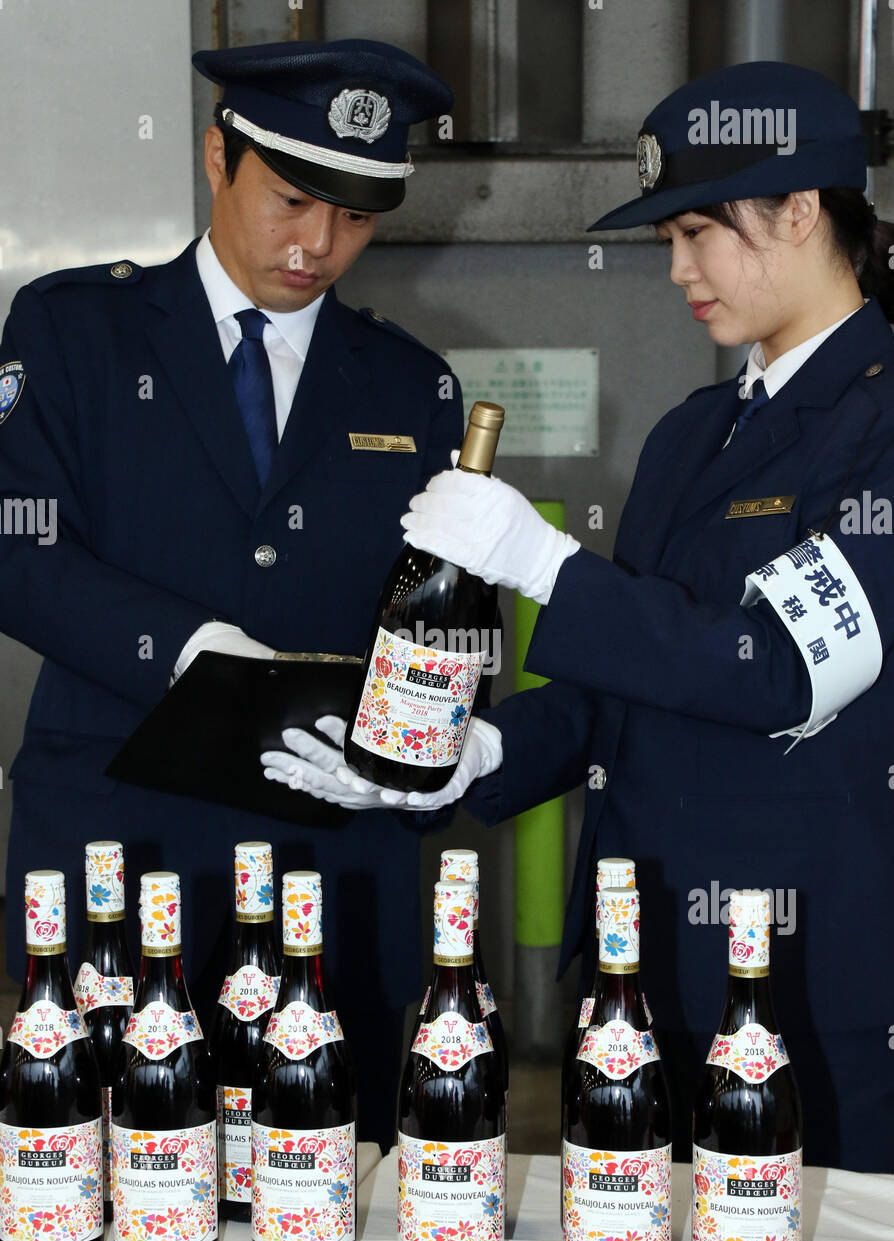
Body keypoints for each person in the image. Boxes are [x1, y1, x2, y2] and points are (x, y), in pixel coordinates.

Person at [277, 62, 894, 1173]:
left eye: (700, 231)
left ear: (803, 210)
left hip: (811, 975)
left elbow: (776, 671)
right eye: (667, 237)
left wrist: (544, 564)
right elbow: (637, 683)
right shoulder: (689, 436)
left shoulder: (881, 421)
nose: (677, 270)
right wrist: (481, 755)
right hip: (638, 973)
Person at [0, 38, 460, 1151]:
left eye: (356, 219)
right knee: (98, 1161)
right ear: (217, 157)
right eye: (292, 199)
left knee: (324, 1176)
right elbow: (22, 554)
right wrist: (190, 644)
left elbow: (434, 621)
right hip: (117, 837)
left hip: (327, 859)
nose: (318, 245)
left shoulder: (413, 383)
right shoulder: (75, 334)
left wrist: (416, 745)